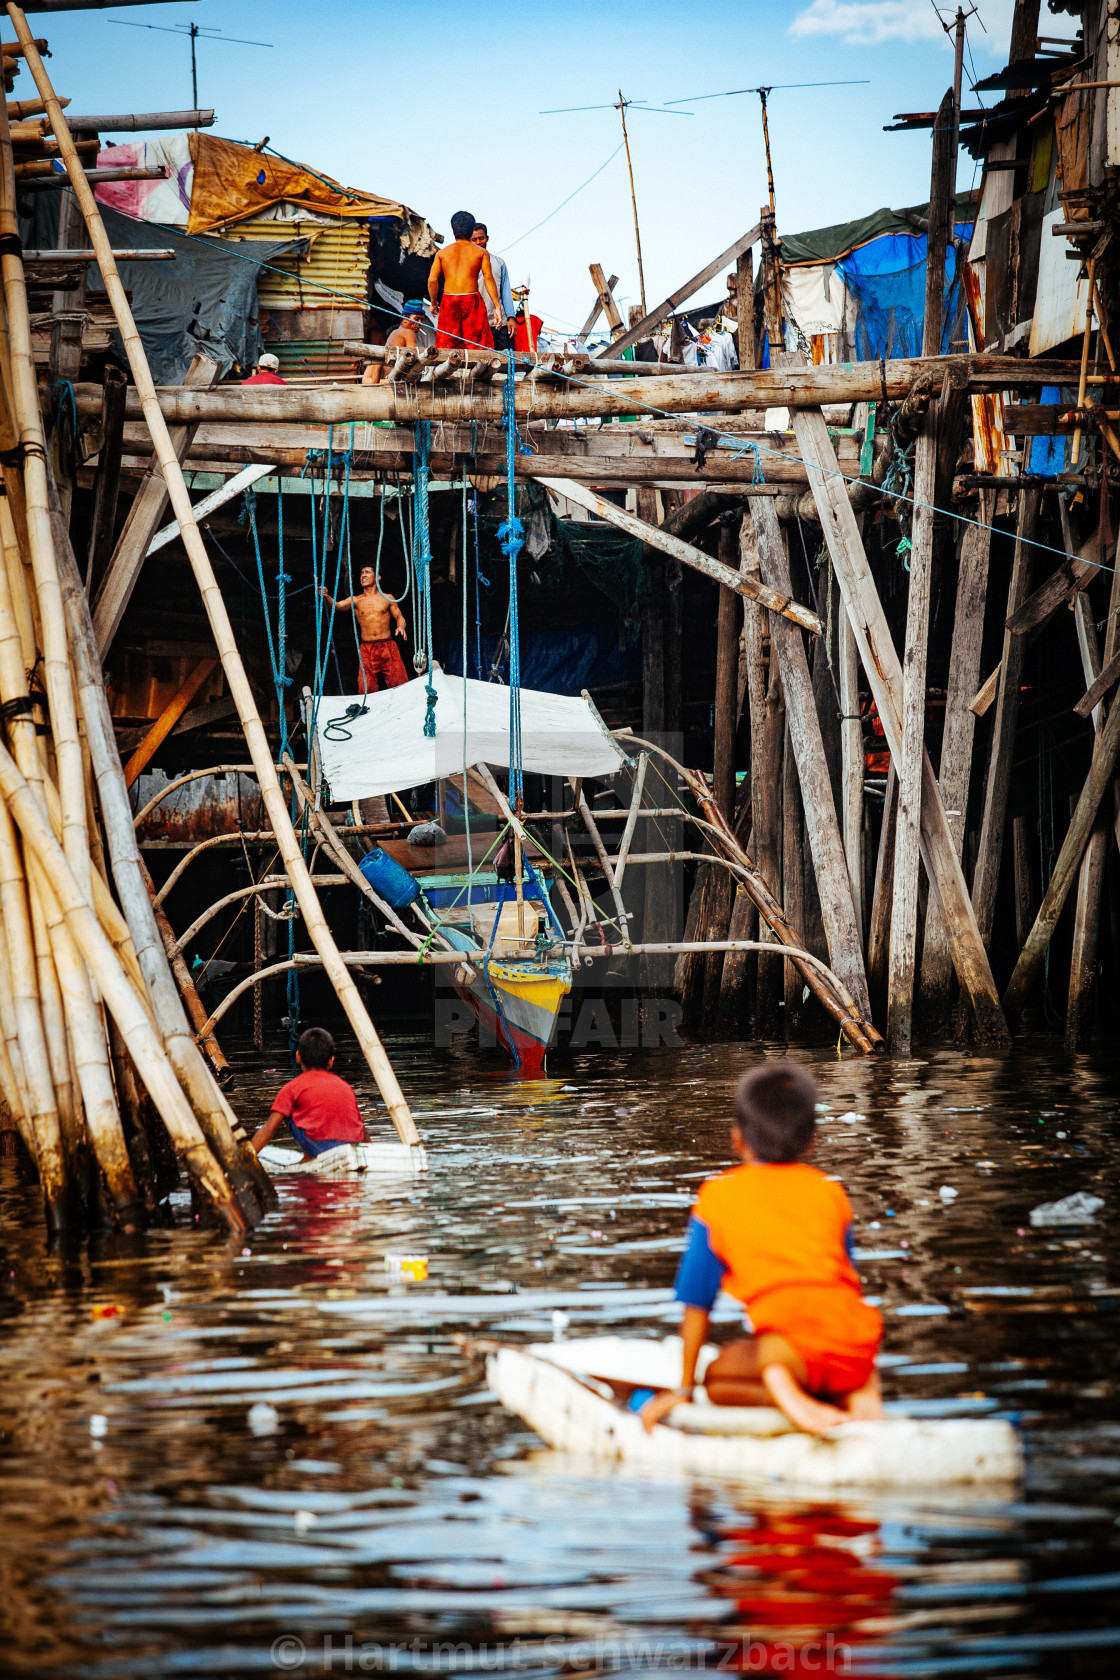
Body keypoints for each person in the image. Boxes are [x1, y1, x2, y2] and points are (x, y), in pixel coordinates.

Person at [640, 1062, 885, 1437]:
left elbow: (697, 1303)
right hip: (855, 1346)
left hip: (785, 1353)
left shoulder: (717, 1196)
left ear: (738, 1138)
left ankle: (796, 1400)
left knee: (717, 1378)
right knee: (805, 1347)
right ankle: (851, 1393)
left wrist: (685, 1389)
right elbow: (846, 1280)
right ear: (812, 1140)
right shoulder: (831, 1192)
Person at [249, 1027, 365, 1159]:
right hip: (352, 1145)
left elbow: (268, 1129)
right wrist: (370, 1152)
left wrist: (245, 1159)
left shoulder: (292, 1088)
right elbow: (361, 1127)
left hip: (320, 1148)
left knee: (288, 1111)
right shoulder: (346, 1087)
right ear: (331, 1061)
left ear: (298, 1056)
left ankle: (308, 1157)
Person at [320, 563, 410, 693]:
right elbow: (337, 606)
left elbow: (400, 617)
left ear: (378, 577)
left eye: (367, 572)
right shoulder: (356, 600)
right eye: (362, 573)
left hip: (388, 646)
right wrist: (326, 596)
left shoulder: (387, 598)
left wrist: (401, 626)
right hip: (367, 649)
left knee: (400, 684)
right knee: (366, 688)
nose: (363, 576)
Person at [428, 209, 503, 352]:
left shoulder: (442, 253)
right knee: (478, 345)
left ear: (453, 230)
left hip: (450, 300)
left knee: (447, 344)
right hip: (472, 300)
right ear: (471, 231)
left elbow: (432, 280)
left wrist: (433, 303)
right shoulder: (480, 252)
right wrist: (497, 306)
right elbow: (488, 278)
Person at [363, 300, 429, 385]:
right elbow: (413, 357)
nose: (419, 323)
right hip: (387, 375)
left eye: (421, 320)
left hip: (382, 375)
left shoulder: (395, 332)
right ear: (405, 318)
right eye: (416, 319)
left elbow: (366, 379)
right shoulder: (407, 332)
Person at [471, 223, 515, 350]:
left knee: (504, 363)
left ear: (487, 238)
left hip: (499, 323)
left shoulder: (499, 262)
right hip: (476, 323)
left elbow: (505, 292)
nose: (479, 242)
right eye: (474, 239)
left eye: (481, 238)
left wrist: (511, 318)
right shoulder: (465, 263)